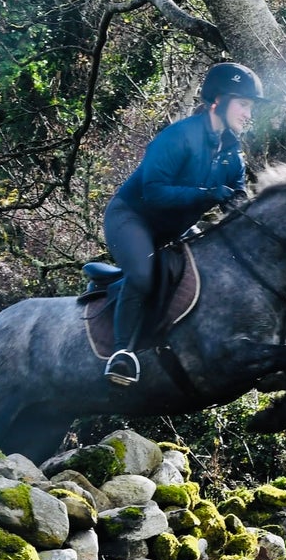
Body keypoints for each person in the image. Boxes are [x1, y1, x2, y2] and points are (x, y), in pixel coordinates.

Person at [101, 62, 266, 386]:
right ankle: (121, 355)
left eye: (250, 107)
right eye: (244, 104)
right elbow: (153, 192)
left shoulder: (233, 154)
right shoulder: (179, 137)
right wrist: (207, 194)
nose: (249, 114)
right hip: (132, 218)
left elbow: (239, 192)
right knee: (144, 274)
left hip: (173, 229)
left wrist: (239, 202)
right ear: (218, 100)